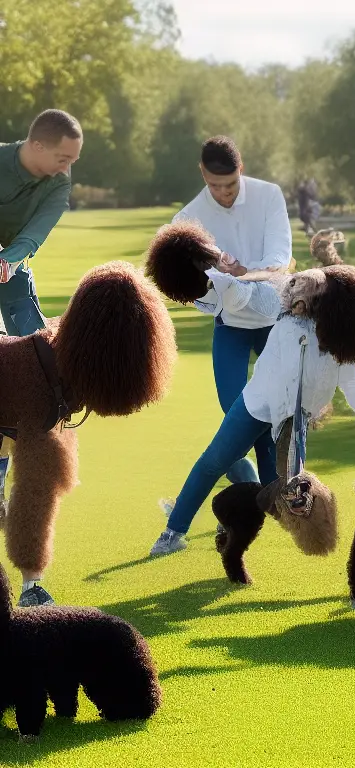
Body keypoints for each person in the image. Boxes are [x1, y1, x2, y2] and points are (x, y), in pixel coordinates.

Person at [151, 263, 355, 556]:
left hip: (293, 421)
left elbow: (352, 385)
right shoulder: (287, 324)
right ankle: (173, 531)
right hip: (256, 406)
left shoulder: (340, 343)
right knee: (214, 462)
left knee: (284, 490)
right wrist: (220, 280)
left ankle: (238, 519)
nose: (299, 294)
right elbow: (264, 284)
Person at [169, 136, 292, 491]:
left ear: (242, 169)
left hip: (275, 320)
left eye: (231, 184)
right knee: (234, 410)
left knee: (279, 407)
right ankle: (250, 480)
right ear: (201, 173)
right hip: (231, 323)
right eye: (214, 185)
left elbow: (279, 260)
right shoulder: (188, 218)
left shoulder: (269, 195)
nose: (223, 192)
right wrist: (214, 282)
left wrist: (240, 273)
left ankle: (276, 485)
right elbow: (184, 283)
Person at [0, 108, 82, 605]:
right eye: (63, 157)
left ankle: (32, 577)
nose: (68, 166)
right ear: (35, 146)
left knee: (44, 384)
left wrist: (9, 258)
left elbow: (37, 233)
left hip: (13, 275)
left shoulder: (58, 185)